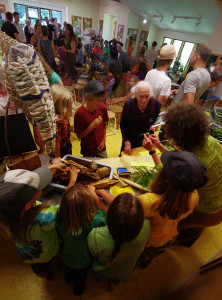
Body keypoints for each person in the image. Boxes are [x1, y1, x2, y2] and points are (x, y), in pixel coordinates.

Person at [146, 103, 222, 247]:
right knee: (195, 226)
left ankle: (175, 244)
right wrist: (161, 147)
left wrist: (152, 151)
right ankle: (187, 239)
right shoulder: (209, 141)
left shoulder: (196, 160)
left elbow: (171, 172)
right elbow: (179, 156)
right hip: (217, 200)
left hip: (208, 211)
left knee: (176, 225)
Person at [137, 148, 208, 268]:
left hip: (150, 241)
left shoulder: (150, 201)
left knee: (139, 256)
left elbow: (126, 209)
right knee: (149, 257)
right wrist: (152, 151)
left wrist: (101, 194)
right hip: (170, 237)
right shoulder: (194, 195)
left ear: (166, 179)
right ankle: (144, 264)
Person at [0, 163, 71, 280]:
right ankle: (52, 273)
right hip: (48, 252)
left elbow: (24, 183)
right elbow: (64, 207)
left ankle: (46, 276)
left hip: (28, 255)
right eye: (39, 186)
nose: (40, 185)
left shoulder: (6, 215)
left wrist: (50, 168)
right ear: (28, 205)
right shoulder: (44, 218)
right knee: (53, 261)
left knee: (39, 270)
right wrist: (72, 181)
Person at [87, 193, 151, 287]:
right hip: (123, 271)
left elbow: (93, 255)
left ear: (107, 217)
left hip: (103, 269)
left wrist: (97, 198)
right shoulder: (147, 227)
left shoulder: (95, 236)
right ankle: (112, 284)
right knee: (116, 279)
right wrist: (101, 194)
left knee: (99, 275)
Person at [57, 182, 106, 295]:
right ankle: (78, 291)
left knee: (68, 272)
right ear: (88, 206)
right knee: (81, 278)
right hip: (84, 261)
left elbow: (61, 203)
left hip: (66, 258)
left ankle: (68, 281)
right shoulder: (96, 220)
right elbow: (104, 211)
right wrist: (93, 194)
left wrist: (72, 180)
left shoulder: (59, 219)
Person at [120, 81, 161, 155]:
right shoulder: (129, 104)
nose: (144, 100)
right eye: (141, 97)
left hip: (147, 140)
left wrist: (156, 125)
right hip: (130, 139)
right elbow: (123, 125)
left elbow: (158, 118)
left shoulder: (156, 104)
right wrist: (126, 142)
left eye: (147, 96)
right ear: (135, 95)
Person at [74, 80, 109, 158]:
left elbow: (104, 125)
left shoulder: (102, 107)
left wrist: (104, 141)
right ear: (88, 98)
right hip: (88, 149)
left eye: (101, 98)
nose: (100, 102)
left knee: (105, 165)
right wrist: (91, 127)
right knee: (88, 169)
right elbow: (79, 135)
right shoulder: (80, 113)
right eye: (97, 99)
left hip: (101, 146)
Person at [50, 84, 73, 158]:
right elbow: (56, 141)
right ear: (61, 106)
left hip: (66, 144)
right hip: (60, 151)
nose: (72, 107)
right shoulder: (57, 121)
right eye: (70, 105)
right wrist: (58, 157)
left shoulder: (64, 115)